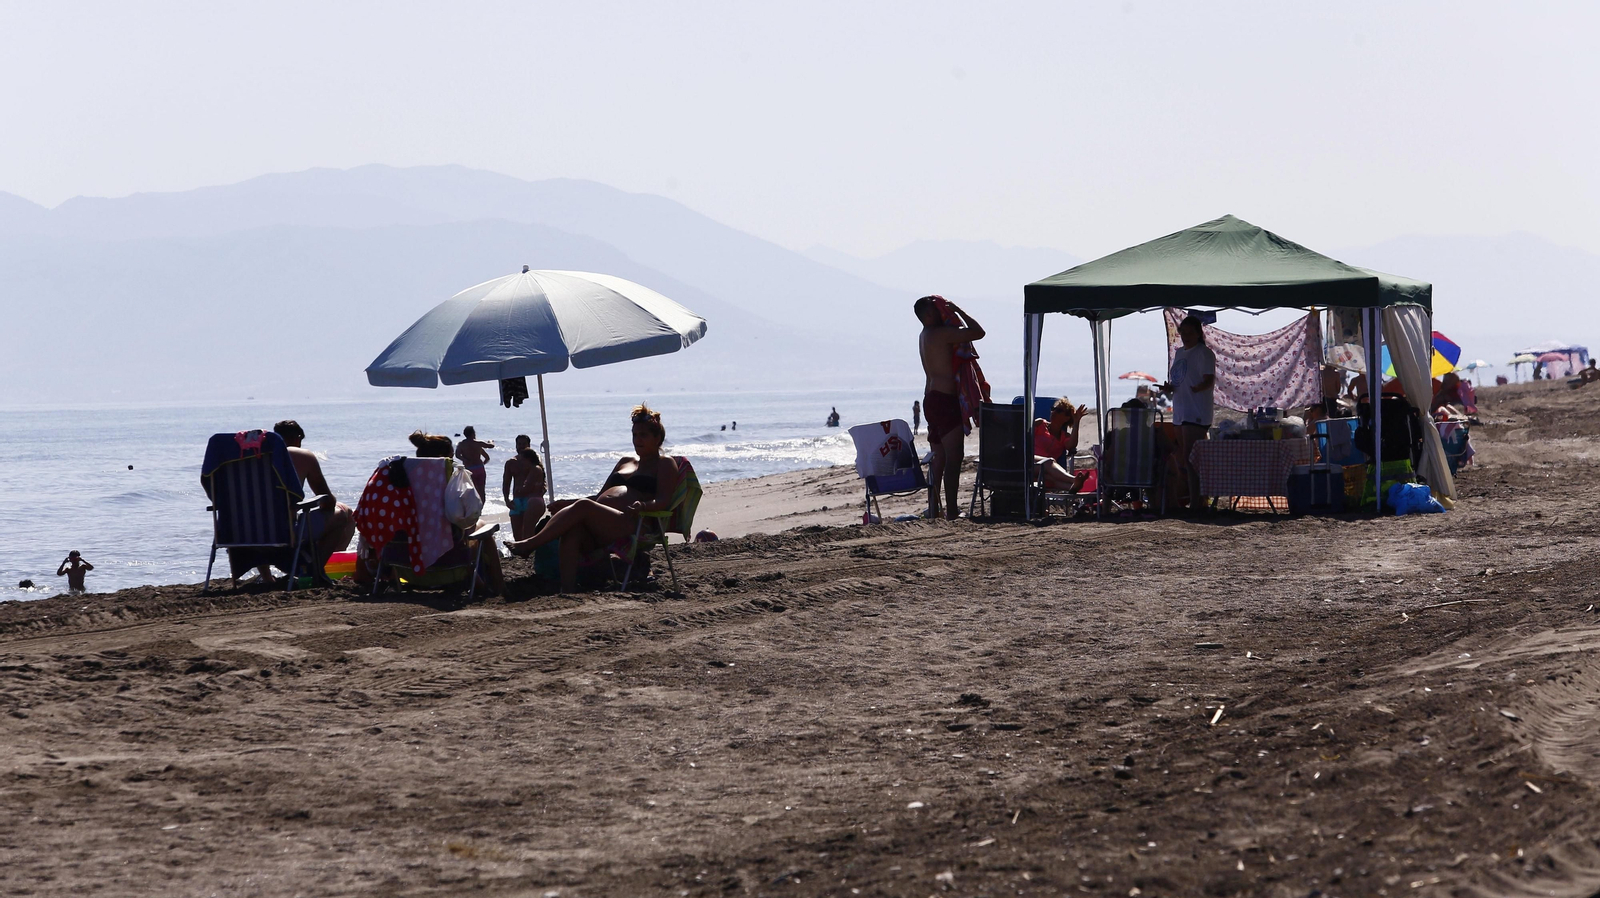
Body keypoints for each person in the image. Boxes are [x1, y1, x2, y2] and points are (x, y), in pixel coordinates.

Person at [505, 405, 681, 593]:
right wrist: (569, 503)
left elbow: (664, 500)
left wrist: (643, 505)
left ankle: (529, 544)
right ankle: (568, 589)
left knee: (583, 506)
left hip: (633, 522)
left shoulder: (664, 463)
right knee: (573, 530)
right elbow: (598, 497)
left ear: (657, 438)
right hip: (602, 523)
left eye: (643, 435)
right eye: (635, 435)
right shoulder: (625, 461)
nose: (637, 440)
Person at [915, 296, 986, 519]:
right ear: (928, 315)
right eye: (937, 310)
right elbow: (978, 332)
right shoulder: (940, 333)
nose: (942, 313)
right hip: (945, 400)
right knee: (954, 457)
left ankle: (936, 509)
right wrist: (959, 311)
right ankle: (952, 511)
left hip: (930, 398)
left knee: (939, 457)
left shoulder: (924, 335)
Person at [271, 420, 356, 578]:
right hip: (285, 533)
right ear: (297, 439)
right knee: (344, 514)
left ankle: (267, 577)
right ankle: (315, 570)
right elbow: (328, 502)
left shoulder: (251, 458)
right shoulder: (301, 456)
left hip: (247, 535)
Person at [1161, 316, 1216, 512]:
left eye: (1189, 333)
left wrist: (1197, 388)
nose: (1185, 337)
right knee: (1184, 458)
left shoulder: (1205, 353)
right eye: (1183, 333)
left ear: (1199, 334)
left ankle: (1197, 503)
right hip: (1180, 411)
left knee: (1192, 458)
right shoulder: (1179, 353)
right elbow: (1178, 381)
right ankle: (1194, 500)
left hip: (1197, 412)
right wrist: (1169, 388)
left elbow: (1209, 380)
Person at [1034, 397, 1090, 492]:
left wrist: (1076, 422)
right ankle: (1073, 479)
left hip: (1042, 473)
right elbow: (1023, 432)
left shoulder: (1064, 437)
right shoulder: (1040, 424)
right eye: (1053, 409)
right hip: (1029, 463)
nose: (1053, 412)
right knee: (1049, 462)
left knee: (1050, 478)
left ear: (1067, 418)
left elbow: (1071, 445)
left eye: (1059, 411)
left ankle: (1073, 486)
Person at [501, 435, 548, 541]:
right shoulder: (511, 462)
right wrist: (506, 500)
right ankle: (521, 554)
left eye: (524, 444)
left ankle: (530, 552)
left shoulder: (534, 461)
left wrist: (543, 489)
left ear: (529, 445)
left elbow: (542, 476)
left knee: (528, 532)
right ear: (516, 445)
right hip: (517, 500)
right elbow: (506, 482)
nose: (521, 446)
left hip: (530, 499)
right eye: (519, 444)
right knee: (517, 535)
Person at [454, 426, 495, 500]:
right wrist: (491, 441)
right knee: (481, 490)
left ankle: (472, 508)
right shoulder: (478, 444)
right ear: (473, 433)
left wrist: (465, 459)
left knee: (471, 490)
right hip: (479, 468)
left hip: (468, 469)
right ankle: (481, 507)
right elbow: (491, 447)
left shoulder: (461, 444)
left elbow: (457, 455)